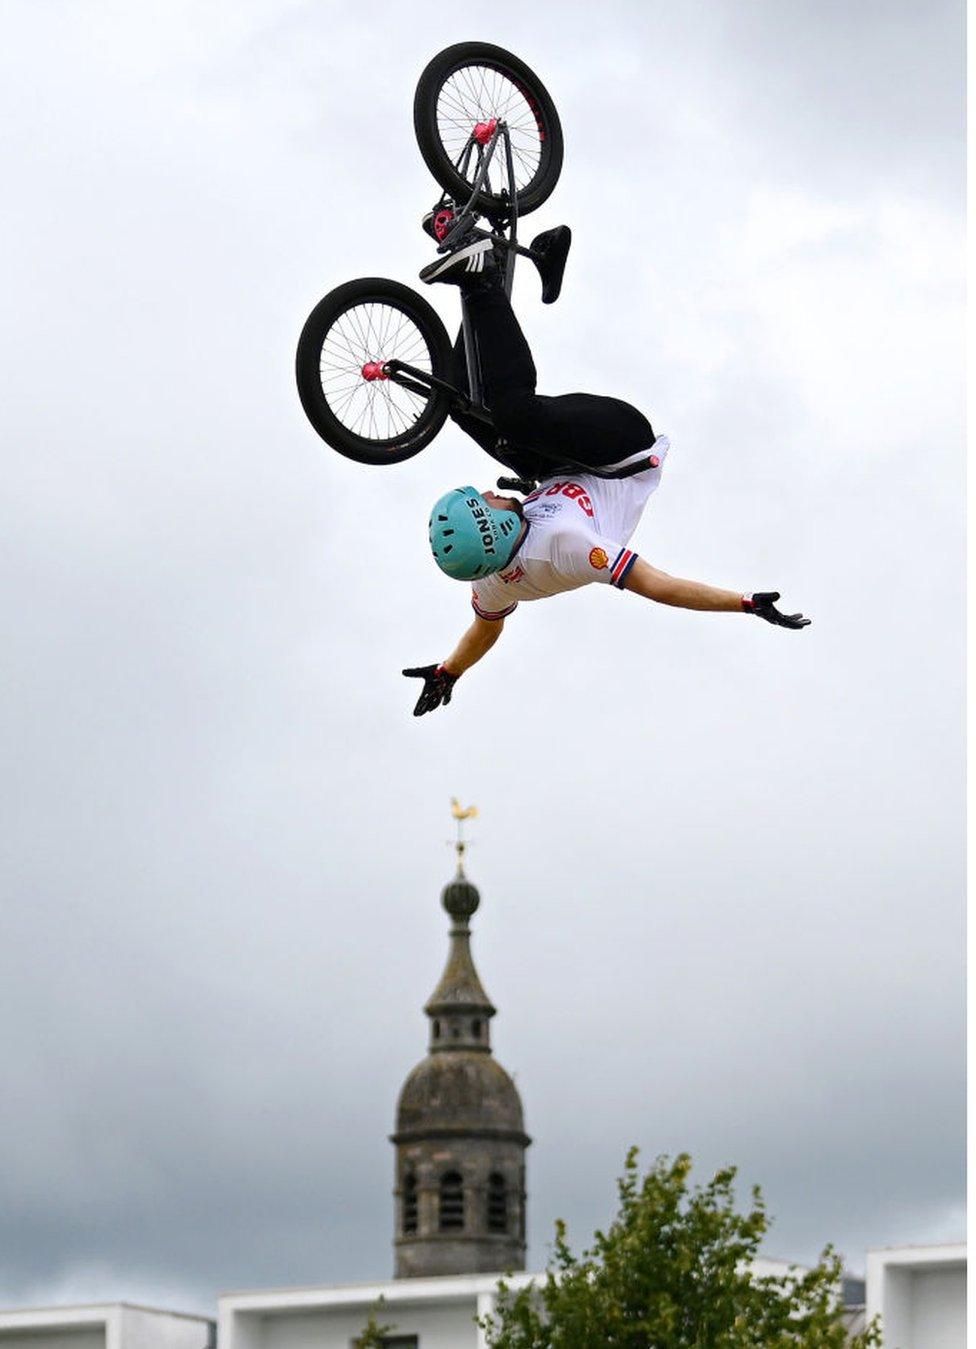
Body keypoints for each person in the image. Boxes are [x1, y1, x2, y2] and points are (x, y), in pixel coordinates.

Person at [402, 230, 810, 718]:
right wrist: (744, 603)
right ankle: (482, 279)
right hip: (622, 447)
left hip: (560, 465)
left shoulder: (492, 579)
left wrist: (449, 671)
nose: (490, 491)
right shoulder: (567, 546)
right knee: (512, 414)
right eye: (485, 500)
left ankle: (486, 256)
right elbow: (660, 586)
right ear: (496, 528)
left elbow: (485, 629)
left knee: (462, 409)